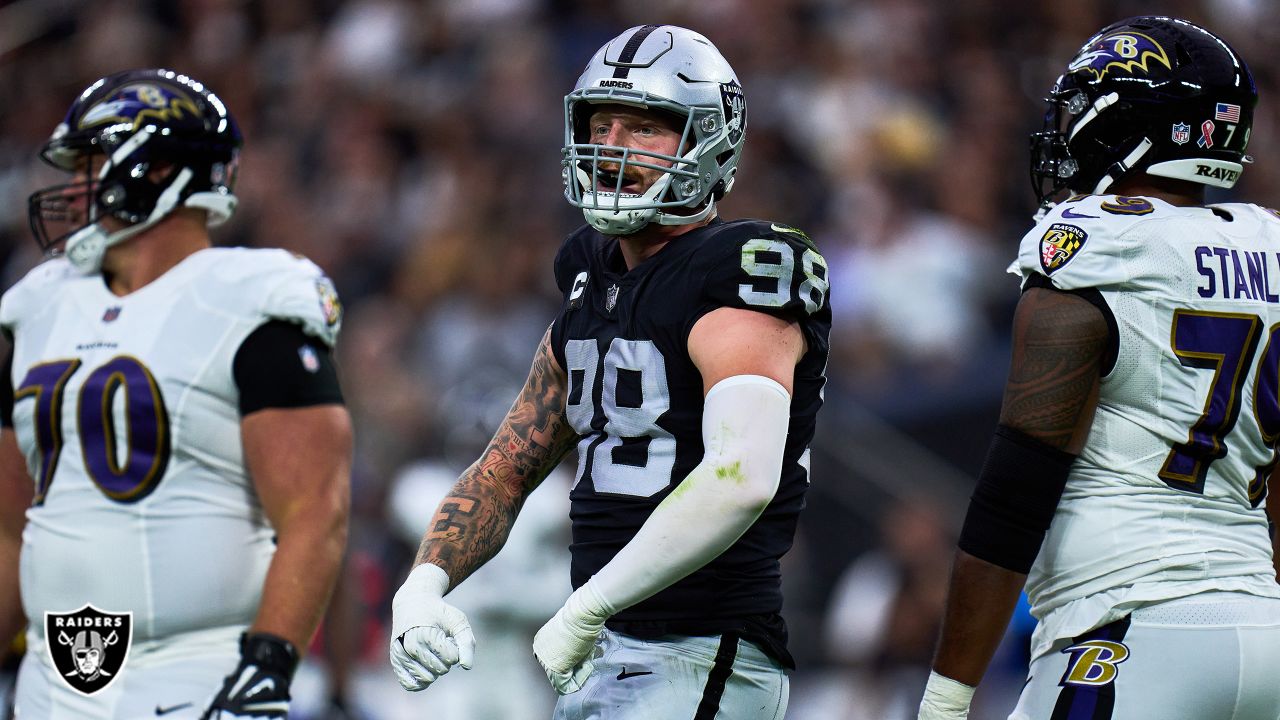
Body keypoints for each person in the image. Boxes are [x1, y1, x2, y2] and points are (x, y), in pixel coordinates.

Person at [389, 24, 831, 719]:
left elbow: (740, 476)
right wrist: (421, 585)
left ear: (709, 142)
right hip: (607, 653)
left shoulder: (742, 268)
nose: (614, 146)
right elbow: (507, 467)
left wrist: (587, 605)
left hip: (699, 648)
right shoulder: (589, 278)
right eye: (603, 122)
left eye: (646, 128)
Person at [919, 16, 1280, 720]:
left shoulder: (1098, 243)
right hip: (1263, 630)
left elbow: (1015, 493)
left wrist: (945, 697)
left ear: (1133, 126)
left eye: (1081, 110)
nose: (1066, 129)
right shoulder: (1269, 242)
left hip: (1127, 628)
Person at [0, 69, 352, 719]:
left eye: (92, 163)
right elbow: (9, 528)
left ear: (157, 169)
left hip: (197, 673)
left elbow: (314, 510)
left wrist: (268, 663)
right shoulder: (36, 309)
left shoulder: (248, 300)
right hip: (51, 678)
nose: (74, 187)